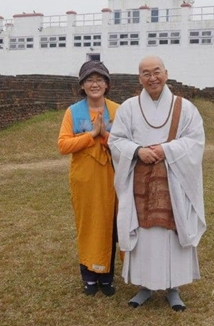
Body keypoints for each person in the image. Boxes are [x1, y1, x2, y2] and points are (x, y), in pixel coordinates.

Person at [108, 56, 206, 311]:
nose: (152, 78)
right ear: (139, 78)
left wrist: (166, 150)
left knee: (171, 234)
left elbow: (195, 140)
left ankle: (174, 288)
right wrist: (138, 151)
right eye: (145, 73)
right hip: (140, 184)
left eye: (156, 72)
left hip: (174, 183)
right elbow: (116, 141)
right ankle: (144, 286)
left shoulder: (184, 108)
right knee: (145, 234)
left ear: (166, 73)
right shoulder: (128, 108)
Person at [57, 60, 120, 297]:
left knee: (108, 225)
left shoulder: (117, 110)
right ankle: (89, 276)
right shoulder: (73, 112)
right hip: (84, 179)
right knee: (88, 225)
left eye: (99, 79)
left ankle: (106, 276)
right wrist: (91, 134)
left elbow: (125, 144)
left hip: (111, 177)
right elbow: (63, 145)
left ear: (106, 84)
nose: (95, 84)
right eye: (89, 80)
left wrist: (104, 135)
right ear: (82, 85)